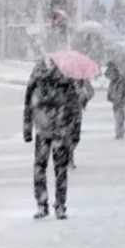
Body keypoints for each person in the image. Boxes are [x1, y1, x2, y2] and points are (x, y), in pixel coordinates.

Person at [24, 58, 83, 220]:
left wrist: (28, 129)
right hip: (60, 130)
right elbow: (75, 109)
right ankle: (60, 205)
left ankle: (42, 204)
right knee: (60, 169)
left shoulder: (35, 80)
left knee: (40, 167)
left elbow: (28, 106)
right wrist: (75, 132)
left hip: (42, 130)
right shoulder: (65, 81)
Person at [68, 79, 95, 169]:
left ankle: (68, 154)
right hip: (66, 117)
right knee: (69, 138)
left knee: (76, 138)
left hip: (77, 117)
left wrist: (86, 82)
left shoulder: (81, 89)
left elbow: (91, 93)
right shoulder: (63, 86)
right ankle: (69, 158)